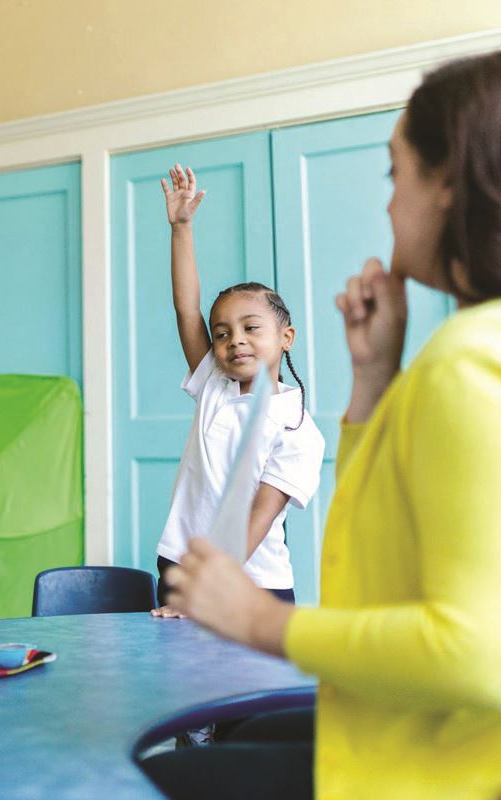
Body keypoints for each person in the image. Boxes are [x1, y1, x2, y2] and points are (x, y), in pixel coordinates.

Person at [152, 51, 501, 799]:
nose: (389, 205)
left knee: (156, 777)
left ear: (448, 184)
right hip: (395, 727)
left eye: (395, 175)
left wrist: (261, 621)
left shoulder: (468, 366)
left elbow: (479, 652)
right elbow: (385, 535)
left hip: (424, 769)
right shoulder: (464, 356)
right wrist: (373, 377)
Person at [152, 164, 324, 618]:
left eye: (251, 328)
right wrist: (181, 228)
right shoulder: (214, 383)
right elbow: (186, 308)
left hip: (252, 584)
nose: (235, 341)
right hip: (181, 565)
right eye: (222, 333)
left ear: (286, 337)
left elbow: (258, 518)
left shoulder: (298, 428)